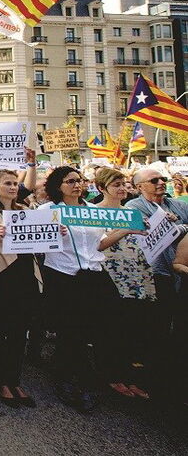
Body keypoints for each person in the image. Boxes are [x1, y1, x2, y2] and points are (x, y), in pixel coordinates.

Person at [38, 166, 119, 413]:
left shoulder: (94, 211)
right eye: (70, 181)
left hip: (93, 274)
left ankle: (88, 373)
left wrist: (126, 230)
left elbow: (101, 244)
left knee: (98, 326)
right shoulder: (47, 211)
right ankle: (67, 379)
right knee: (69, 328)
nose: (77, 185)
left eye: (80, 180)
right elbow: (34, 242)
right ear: (58, 186)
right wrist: (49, 233)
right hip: (64, 275)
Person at [0, 170, 42, 408]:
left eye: (15, 183)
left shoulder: (24, 211)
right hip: (0, 276)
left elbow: (40, 243)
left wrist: (55, 234)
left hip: (25, 275)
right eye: (8, 183)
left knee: (18, 331)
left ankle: (15, 380)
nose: (13, 187)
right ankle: (1, 380)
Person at [126, 167, 188, 409]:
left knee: (178, 329)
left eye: (162, 179)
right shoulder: (134, 207)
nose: (161, 183)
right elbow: (144, 232)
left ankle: (173, 377)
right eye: (154, 180)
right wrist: (170, 225)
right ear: (140, 187)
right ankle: (152, 380)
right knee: (156, 327)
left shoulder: (179, 205)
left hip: (180, 277)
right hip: (154, 274)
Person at [93, 167, 154, 400]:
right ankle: (111, 376)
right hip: (109, 274)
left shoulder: (132, 212)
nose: (123, 189)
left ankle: (129, 376)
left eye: (124, 184)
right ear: (101, 188)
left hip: (136, 274)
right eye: (116, 185)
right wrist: (125, 230)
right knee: (111, 327)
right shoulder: (93, 213)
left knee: (133, 327)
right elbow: (97, 245)